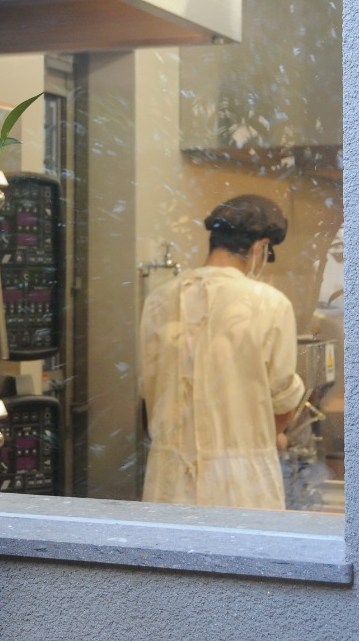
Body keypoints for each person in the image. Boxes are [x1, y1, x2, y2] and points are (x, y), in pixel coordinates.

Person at [139, 194, 306, 510]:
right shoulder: (269, 304)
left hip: (168, 481)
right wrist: (270, 434)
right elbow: (283, 399)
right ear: (260, 247)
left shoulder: (158, 301)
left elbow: (150, 391)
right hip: (241, 485)